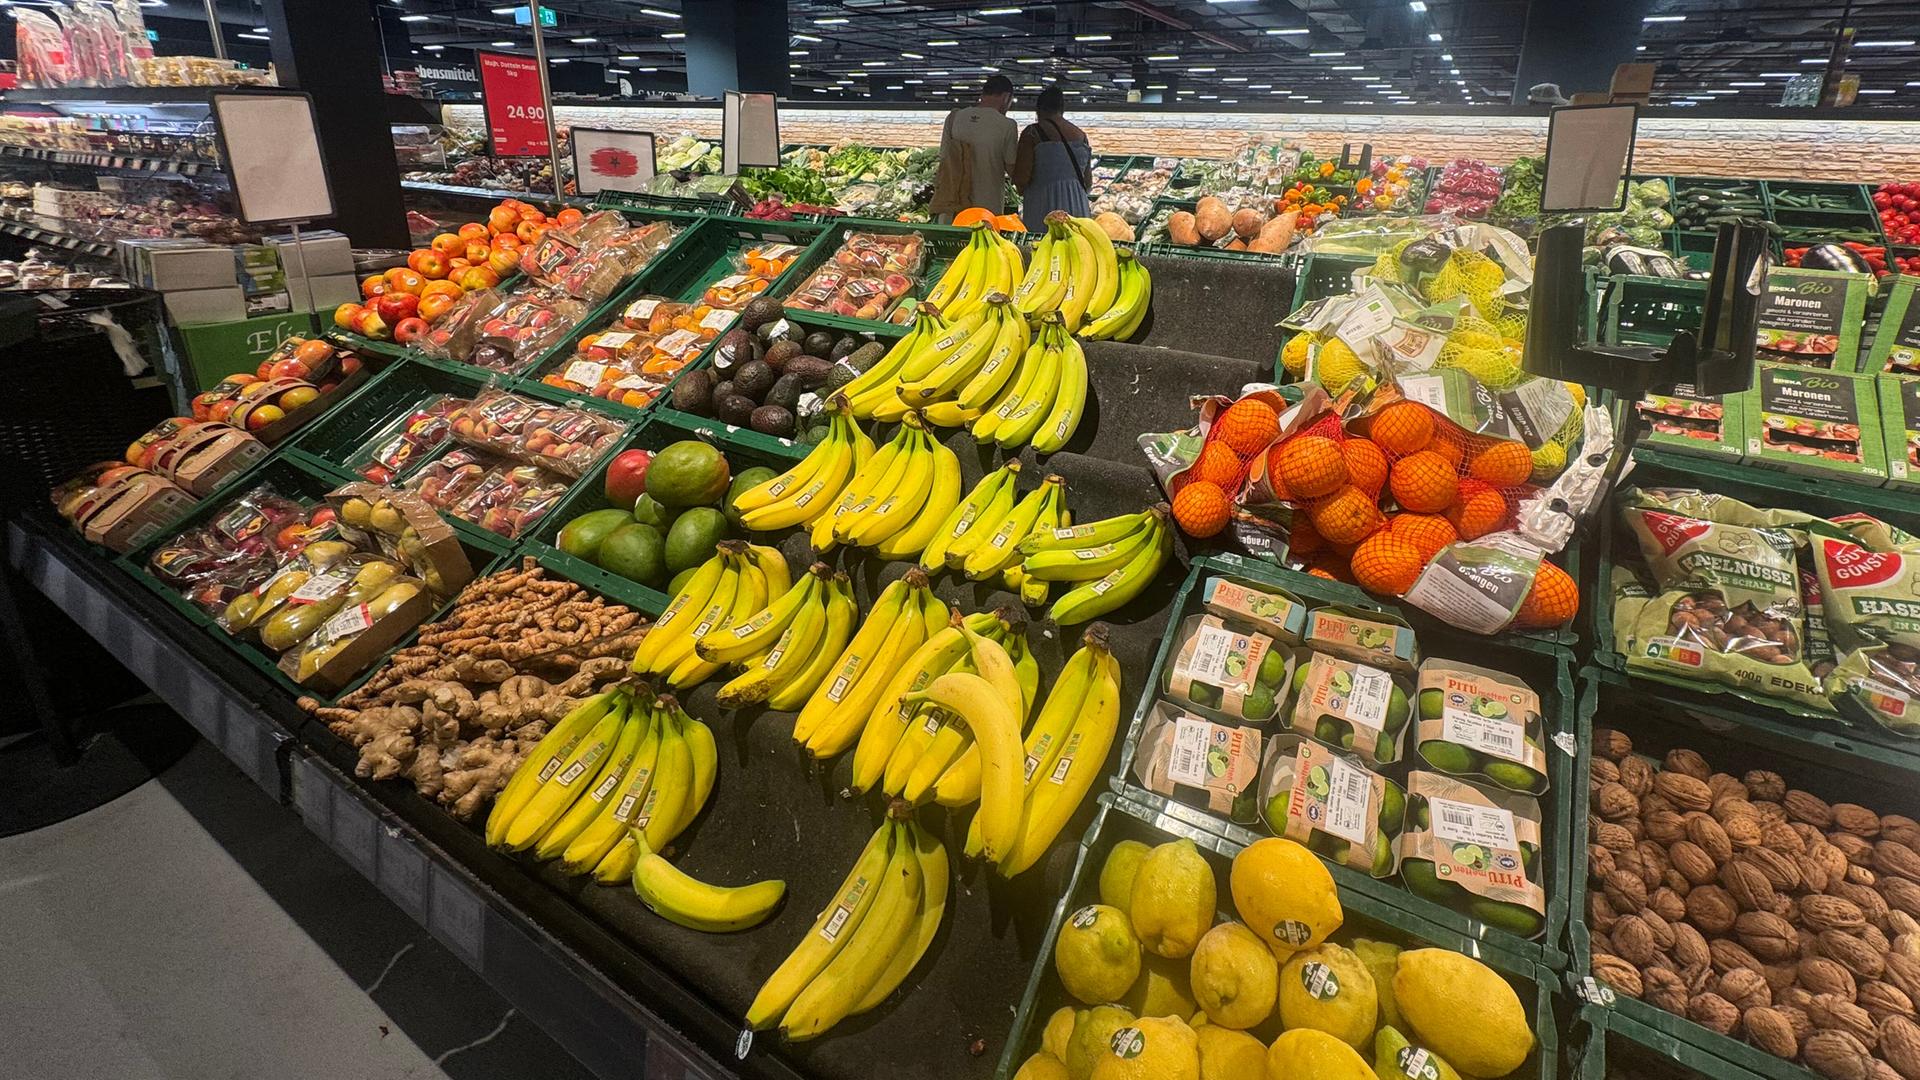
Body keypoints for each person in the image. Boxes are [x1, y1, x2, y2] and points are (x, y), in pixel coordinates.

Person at [930, 75, 1018, 223]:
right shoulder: (1007, 125)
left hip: (952, 206)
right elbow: (1012, 167)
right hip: (986, 210)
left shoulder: (954, 118)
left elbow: (944, 157)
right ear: (1006, 97)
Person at [1012, 86, 1092, 226]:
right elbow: (1088, 182)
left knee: (1044, 245)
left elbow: (1021, 179)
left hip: (1044, 205)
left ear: (1038, 110)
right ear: (1062, 109)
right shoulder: (1081, 135)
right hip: (1078, 206)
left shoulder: (1032, 133)